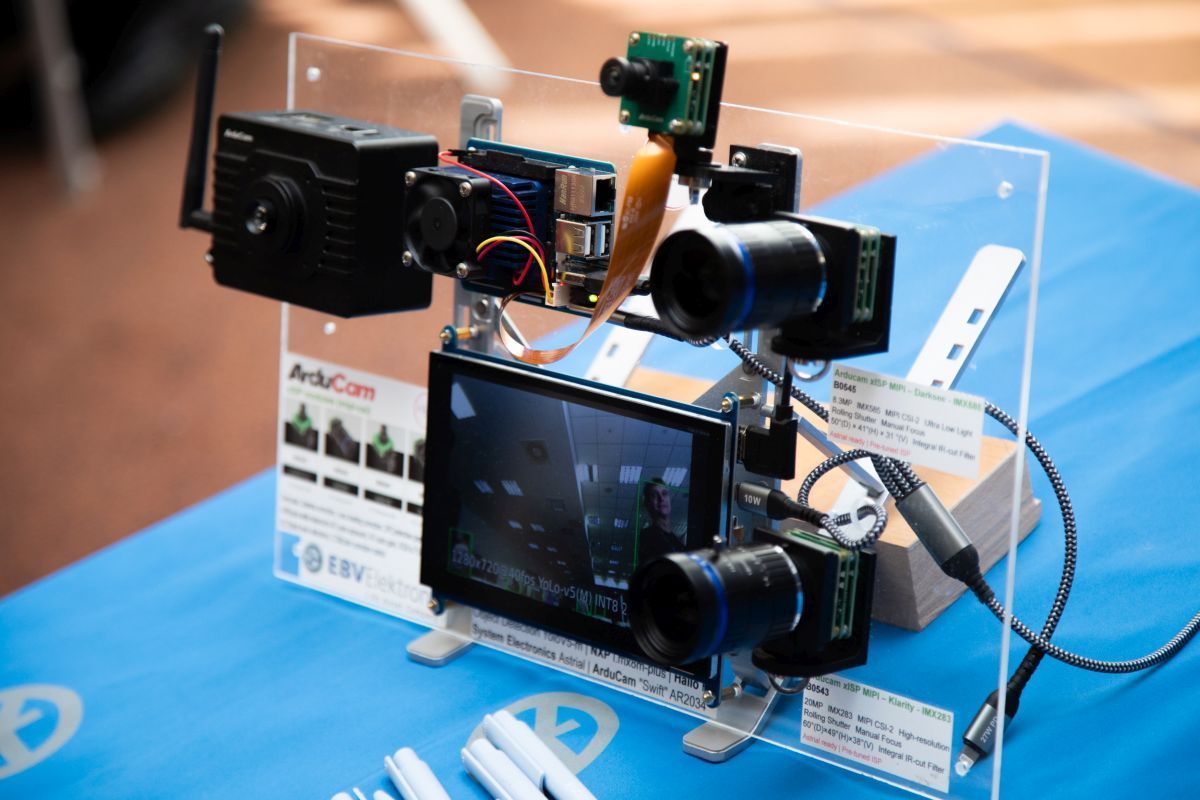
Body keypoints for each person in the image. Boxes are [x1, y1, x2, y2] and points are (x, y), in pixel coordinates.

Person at [636, 478, 682, 565]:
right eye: (654, 495)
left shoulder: (676, 540)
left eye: (664, 493)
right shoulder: (647, 536)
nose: (661, 498)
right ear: (647, 504)